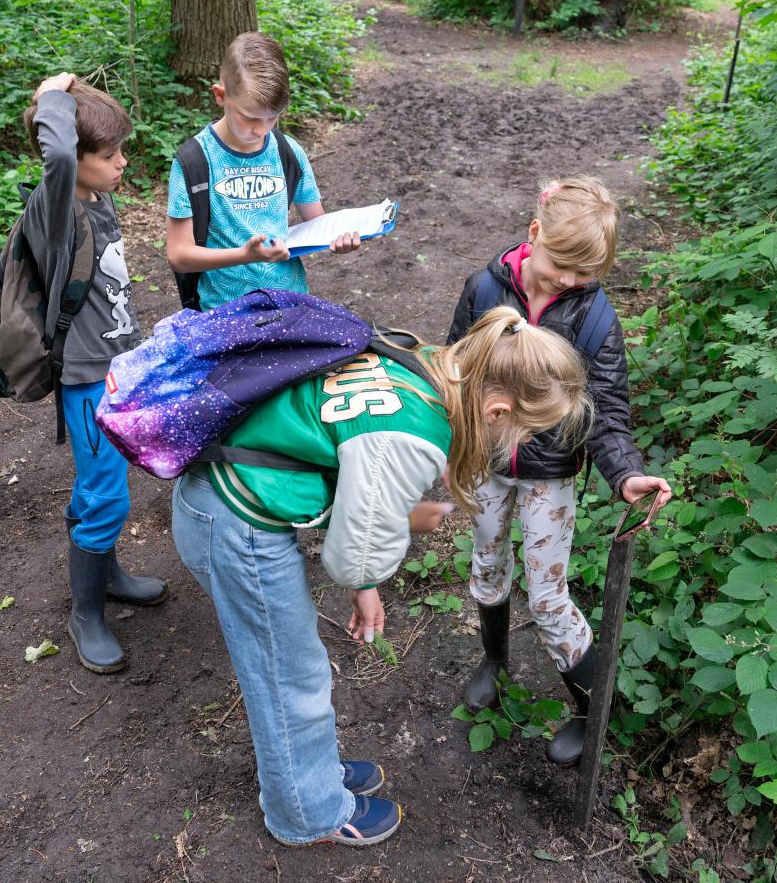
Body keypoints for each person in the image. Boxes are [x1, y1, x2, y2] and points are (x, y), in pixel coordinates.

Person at [169, 307, 591, 846]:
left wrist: (377, 548)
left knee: (296, 666)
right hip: (235, 525)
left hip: (224, 493)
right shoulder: (414, 435)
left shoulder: (425, 360)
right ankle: (307, 811)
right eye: (522, 435)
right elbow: (353, 558)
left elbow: (352, 461)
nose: (515, 448)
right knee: (287, 675)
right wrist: (399, 529)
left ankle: (311, 773)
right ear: (497, 409)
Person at [446, 176, 673, 766]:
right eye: (563, 266)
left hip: (550, 473)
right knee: (487, 561)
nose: (571, 282)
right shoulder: (483, 288)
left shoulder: (596, 319)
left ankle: (587, 708)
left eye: (586, 273)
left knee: (548, 593)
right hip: (488, 460)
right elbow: (453, 368)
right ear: (533, 233)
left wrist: (625, 475)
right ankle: (493, 660)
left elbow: (608, 412)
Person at [21, 72, 167, 674]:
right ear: (71, 161)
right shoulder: (53, 210)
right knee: (106, 491)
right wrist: (51, 96)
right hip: (85, 377)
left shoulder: (94, 196)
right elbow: (55, 149)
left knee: (104, 483)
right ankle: (85, 612)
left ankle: (106, 574)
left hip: (116, 365)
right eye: (109, 156)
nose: (122, 164)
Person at [165, 32, 360, 310]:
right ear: (220, 95)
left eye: (273, 118)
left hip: (291, 302)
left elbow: (316, 224)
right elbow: (179, 253)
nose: (262, 130)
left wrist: (339, 239)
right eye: (251, 118)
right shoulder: (194, 161)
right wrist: (245, 255)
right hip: (225, 309)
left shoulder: (288, 151)